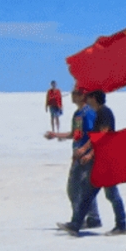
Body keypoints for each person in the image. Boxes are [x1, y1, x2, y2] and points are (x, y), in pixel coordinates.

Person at [44, 87, 99, 235]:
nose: (71, 96)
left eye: (75, 94)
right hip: (78, 155)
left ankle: (78, 220)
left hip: (85, 156)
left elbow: (94, 135)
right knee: (82, 188)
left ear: (82, 96)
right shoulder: (78, 114)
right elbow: (74, 134)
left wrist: (87, 152)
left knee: (75, 188)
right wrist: (56, 135)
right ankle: (92, 218)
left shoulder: (88, 114)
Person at [87, 91, 126, 233]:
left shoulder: (104, 112)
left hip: (107, 157)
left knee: (111, 192)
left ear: (94, 98)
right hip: (102, 157)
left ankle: (121, 224)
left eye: (89, 97)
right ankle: (85, 219)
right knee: (96, 190)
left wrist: (91, 153)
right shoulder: (100, 112)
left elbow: (103, 135)